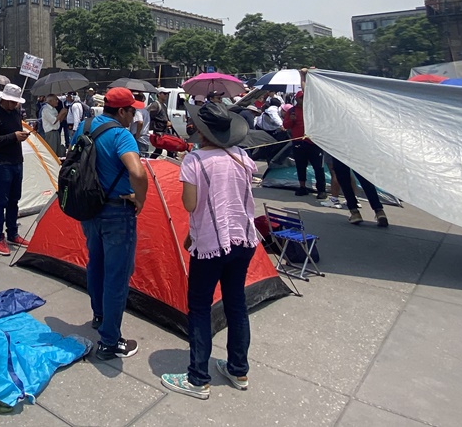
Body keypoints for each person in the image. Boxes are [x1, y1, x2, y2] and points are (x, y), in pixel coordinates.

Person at [161, 102, 258, 400]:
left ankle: (198, 378)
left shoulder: (195, 161)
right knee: (236, 304)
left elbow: (190, 205)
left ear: (200, 132)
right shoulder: (241, 156)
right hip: (242, 240)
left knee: (201, 308)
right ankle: (238, 368)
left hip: (210, 248)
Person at [71, 87, 148, 360]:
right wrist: (140, 198)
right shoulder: (121, 135)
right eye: (132, 110)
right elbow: (137, 171)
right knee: (117, 275)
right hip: (117, 212)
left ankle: (99, 315)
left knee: (96, 264)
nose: (134, 115)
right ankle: (110, 342)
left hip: (89, 208)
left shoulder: (84, 126)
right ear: (122, 111)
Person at [0, 84, 31, 256]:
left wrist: (21, 136)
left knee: (14, 200)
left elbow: (14, 133)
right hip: (2, 163)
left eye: (16, 102)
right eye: (12, 102)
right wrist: (14, 137)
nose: (15, 105)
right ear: (4, 98)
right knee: (1, 202)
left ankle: (12, 233)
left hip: (17, 161)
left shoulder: (15, 113)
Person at [282, 91, 325, 198]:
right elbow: (286, 126)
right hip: (298, 142)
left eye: (305, 97)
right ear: (297, 99)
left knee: (318, 167)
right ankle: (302, 187)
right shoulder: (292, 111)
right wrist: (291, 120)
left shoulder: (314, 110)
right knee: (300, 166)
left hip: (313, 142)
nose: (303, 99)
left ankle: (321, 190)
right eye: (301, 98)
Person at [328, 154, 389, 226]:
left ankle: (354, 212)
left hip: (338, 149)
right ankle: (379, 211)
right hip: (355, 151)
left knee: (344, 181)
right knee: (365, 180)